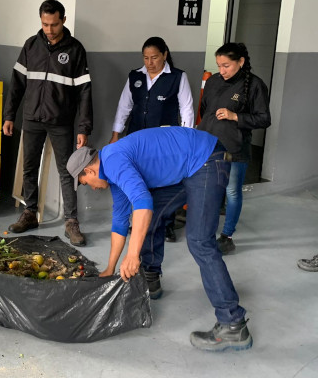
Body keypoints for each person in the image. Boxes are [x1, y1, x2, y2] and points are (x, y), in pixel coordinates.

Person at [66, 127, 252, 351]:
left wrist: (133, 255)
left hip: (206, 159)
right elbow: (120, 221)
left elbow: (142, 202)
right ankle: (151, 279)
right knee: (152, 216)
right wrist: (110, 267)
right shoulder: (112, 171)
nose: (92, 188)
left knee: (200, 240)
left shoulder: (114, 161)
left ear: (89, 171)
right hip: (190, 166)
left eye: (85, 183)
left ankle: (233, 324)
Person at [3, 0, 93, 246]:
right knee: (29, 167)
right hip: (32, 117)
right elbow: (17, 84)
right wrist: (9, 115)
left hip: (61, 121)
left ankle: (71, 222)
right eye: (44, 24)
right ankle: (30, 212)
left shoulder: (75, 50)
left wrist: (84, 127)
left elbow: (84, 91)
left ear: (63, 20)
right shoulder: (31, 45)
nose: (49, 30)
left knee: (68, 170)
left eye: (54, 24)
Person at [109, 36, 194, 242]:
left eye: (154, 57)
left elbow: (187, 109)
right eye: (146, 58)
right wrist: (116, 135)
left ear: (164, 55)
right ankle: (140, 222)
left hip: (164, 142)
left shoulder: (177, 77)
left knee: (166, 181)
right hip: (136, 139)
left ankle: (166, 225)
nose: (150, 62)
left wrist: (186, 139)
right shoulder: (135, 76)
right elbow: (124, 107)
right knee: (139, 180)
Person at [197, 43, 271, 255]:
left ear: (241, 62)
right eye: (219, 65)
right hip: (208, 145)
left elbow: (264, 119)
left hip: (235, 148)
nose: (222, 71)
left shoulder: (255, 85)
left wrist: (235, 116)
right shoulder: (212, 82)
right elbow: (205, 110)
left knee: (231, 191)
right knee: (208, 188)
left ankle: (227, 236)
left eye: (227, 65)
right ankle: (205, 231)